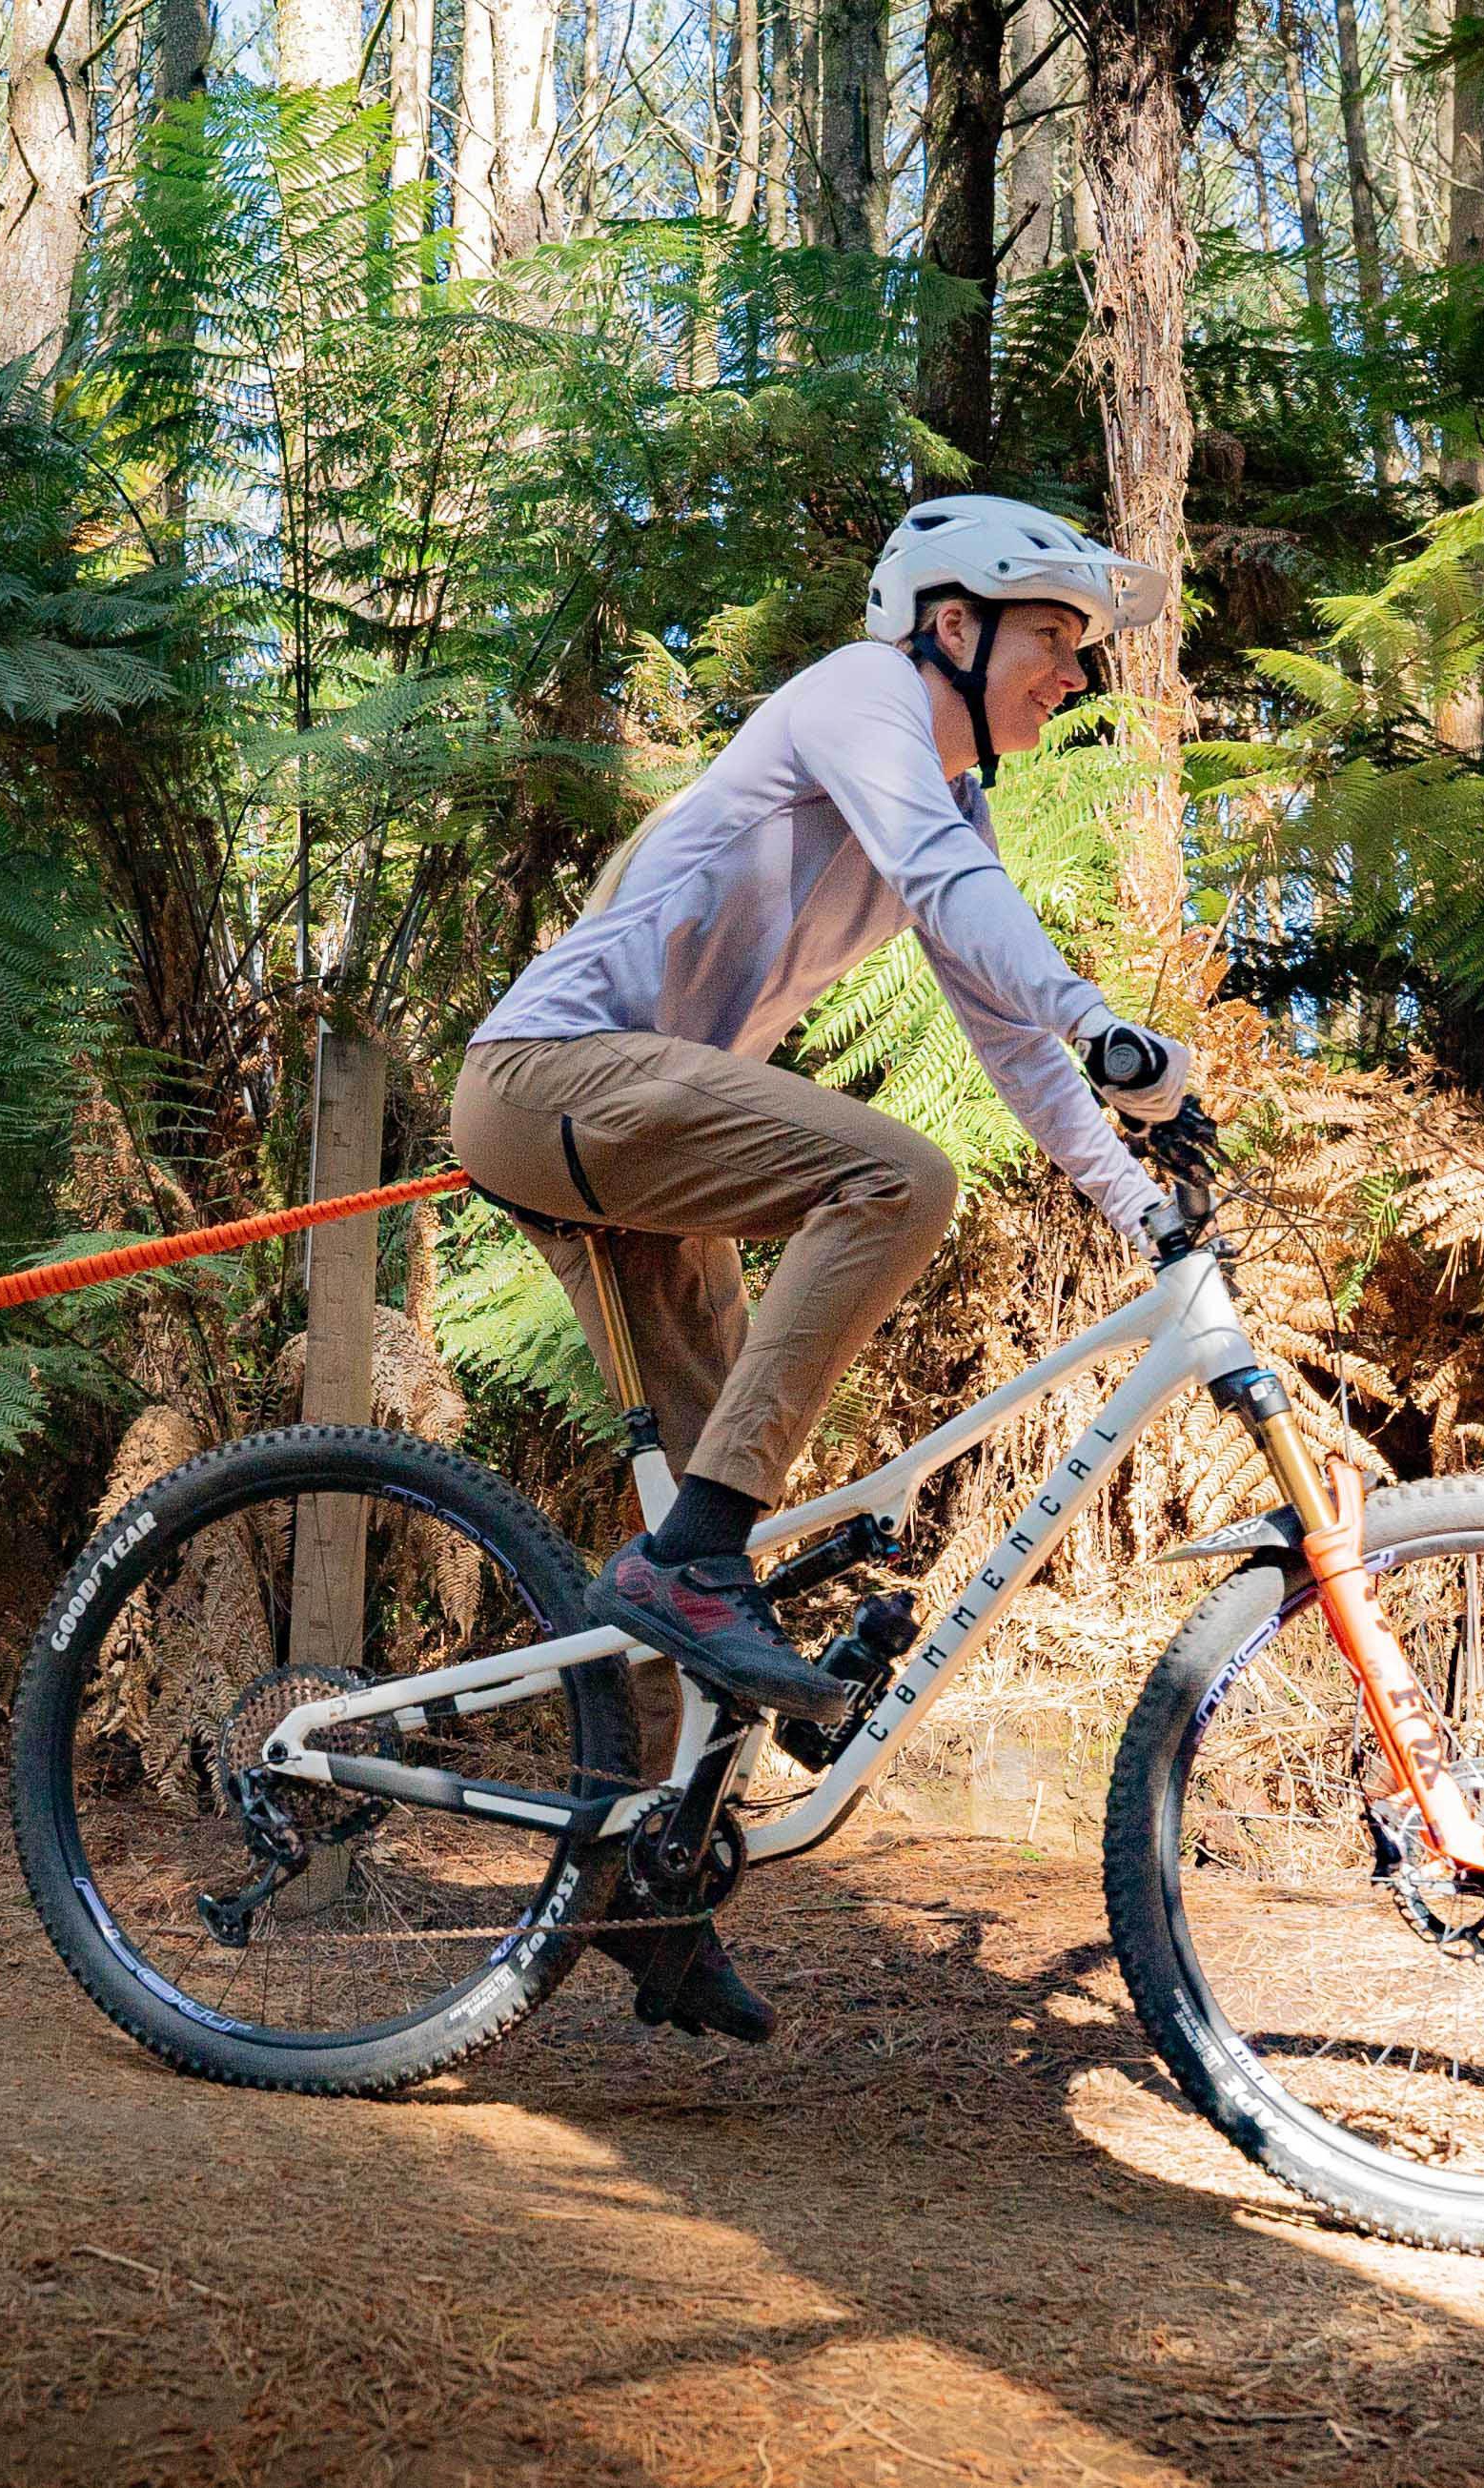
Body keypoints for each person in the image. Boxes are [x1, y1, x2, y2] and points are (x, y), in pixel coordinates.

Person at [452, 495, 1195, 2042]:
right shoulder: (856, 704)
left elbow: (1007, 1044)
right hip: (556, 1079)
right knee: (888, 1175)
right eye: (1052, 640)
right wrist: (1091, 1007)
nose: (1071, 676)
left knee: (720, 1513)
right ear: (949, 624)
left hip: (639, 1128)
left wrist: (1135, 1202)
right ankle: (687, 1568)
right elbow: (959, 909)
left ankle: (641, 1895)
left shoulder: (951, 808)